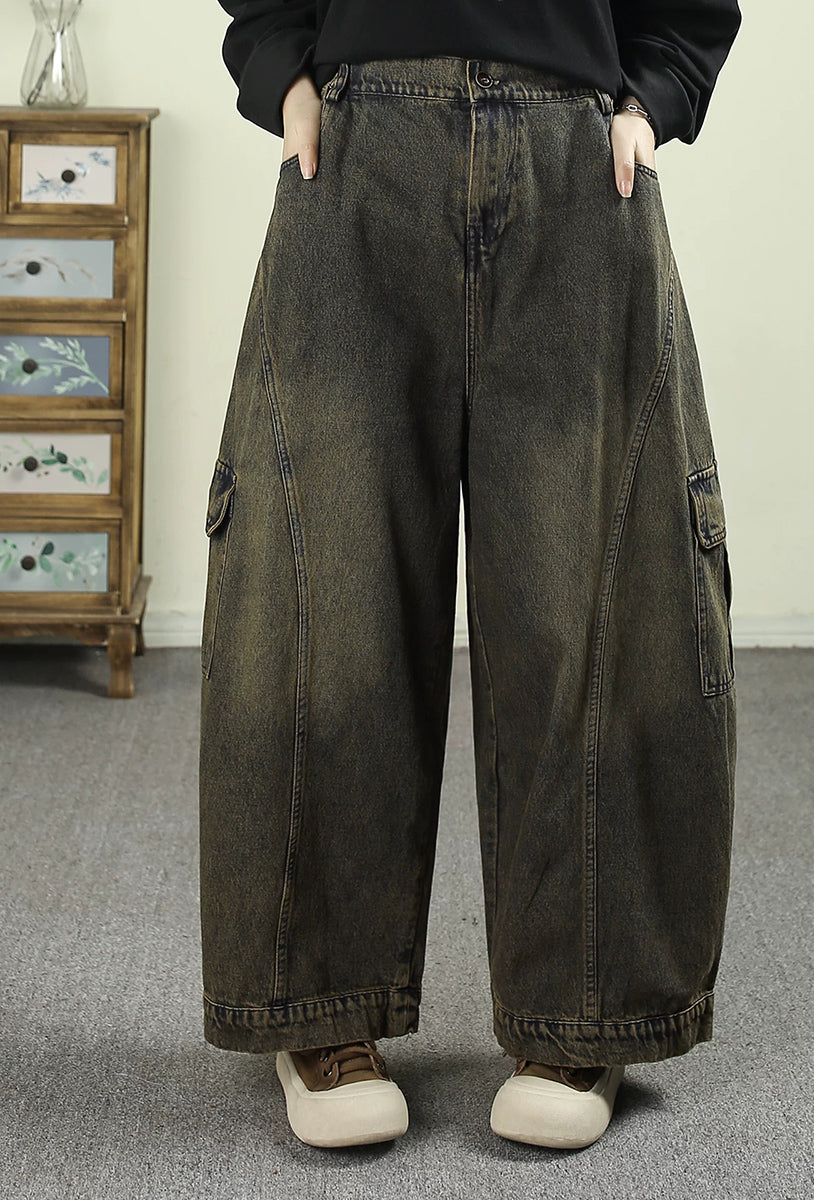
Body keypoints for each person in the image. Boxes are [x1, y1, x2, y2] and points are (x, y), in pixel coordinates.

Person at [201, 0, 742, 1152]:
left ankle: (582, 1008)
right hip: (357, 149)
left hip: (576, 157)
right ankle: (324, 1007)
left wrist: (652, 98)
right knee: (325, 584)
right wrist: (284, 73)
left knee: (588, 592)